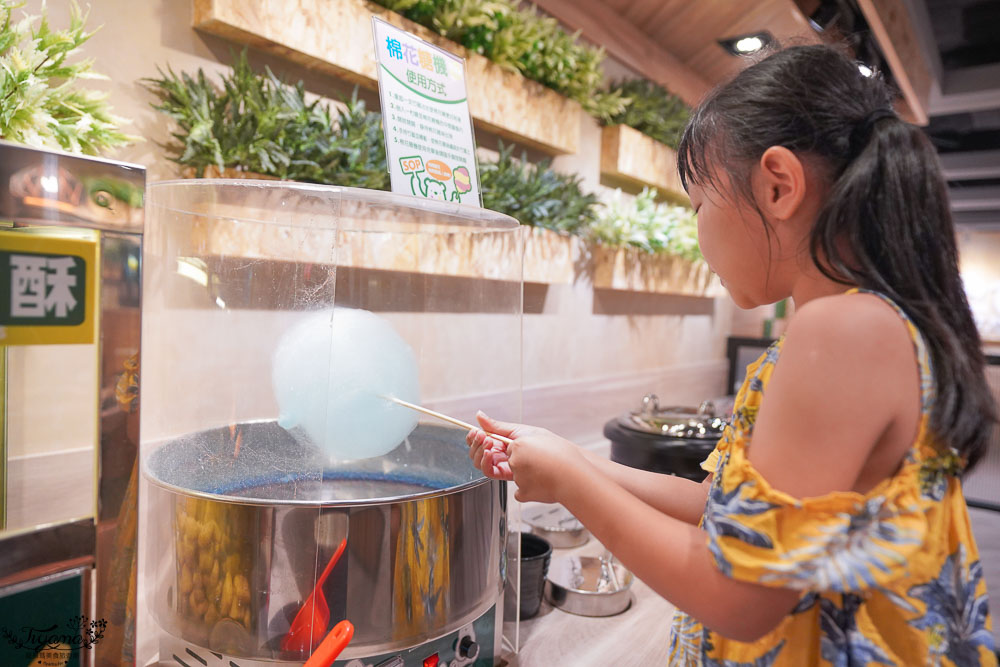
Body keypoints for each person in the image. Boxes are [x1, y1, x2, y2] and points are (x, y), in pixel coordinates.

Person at [467, 44, 999, 666]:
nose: (699, 237)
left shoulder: (843, 331)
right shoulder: (855, 326)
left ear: (778, 186)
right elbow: (727, 508)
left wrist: (571, 478)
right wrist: (570, 458)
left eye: (699, 205)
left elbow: (742, 597)